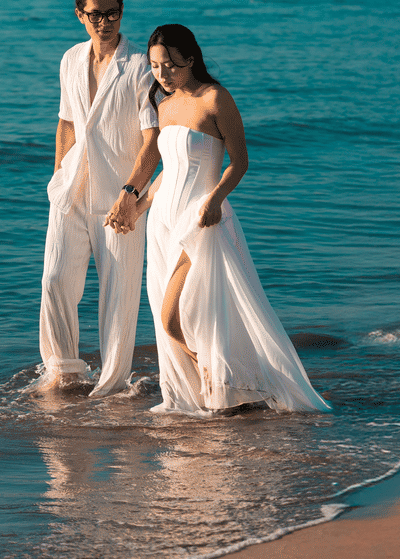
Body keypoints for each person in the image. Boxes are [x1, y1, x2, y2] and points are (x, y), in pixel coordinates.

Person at [134, 24, 329, 414]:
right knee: (187, 317)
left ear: (191, 59)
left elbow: (240, 162)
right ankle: (226, 393)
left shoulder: (215, 98)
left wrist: (215, 201)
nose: (163, 74)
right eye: (156, 67)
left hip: (200, 221)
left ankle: (225, 382)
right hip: (162, 226)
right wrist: (135, 208)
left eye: (171, 65)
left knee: (175, 319)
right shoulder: (165, 105)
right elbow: (167, 173)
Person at [33, 0, 160, 397]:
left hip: (118, 196)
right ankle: (64, 371)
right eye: (95, 14)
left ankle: (112, 386)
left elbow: (153, 138)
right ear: (79, 15)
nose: (105, 22)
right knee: (54, 282)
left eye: (112, 13)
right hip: (71, 193)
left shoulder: (140, 66)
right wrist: (58, 177)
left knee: (118, 297)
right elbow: (66, 122)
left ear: (121, 12)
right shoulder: (70, 59)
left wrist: (131, 193)